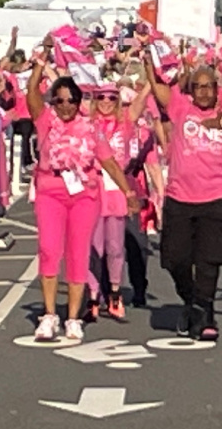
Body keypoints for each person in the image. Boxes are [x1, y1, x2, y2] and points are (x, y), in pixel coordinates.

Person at [27, 40, 139, 342]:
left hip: (84, 196)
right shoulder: (46, 122)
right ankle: (49, 315)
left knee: (78, 254)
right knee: (49, 250)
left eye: (70, 101)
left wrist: (129, 194)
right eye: (59, 100)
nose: (65, 106)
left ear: (79, 103)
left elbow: (109, 163)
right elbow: (31, 95)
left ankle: (73, 317)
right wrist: (41, 62)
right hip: (51, 191)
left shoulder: (91, 129)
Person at [146, 64, 222, 341]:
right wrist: (146, 54)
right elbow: (157, 86)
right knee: (175, 258)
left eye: (208, 86)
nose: (203, 91)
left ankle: (204, 313)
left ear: (217, 90)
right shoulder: (180, 106)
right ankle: (192, 301)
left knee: (208, 260)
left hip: (216, 197)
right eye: (198, 86)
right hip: (179, 198)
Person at [86, 81, 150, 321]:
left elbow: (142, 99)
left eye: (111, 98)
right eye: (101, 97)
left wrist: (151, 76)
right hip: (93, 188)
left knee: (115, 247)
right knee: (95, 248)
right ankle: (93, 294)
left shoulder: (125, 123)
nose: (105, 102)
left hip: (117, 190)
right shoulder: (88, 123)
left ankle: (115, 293)